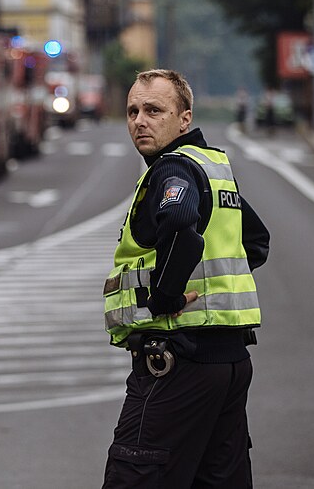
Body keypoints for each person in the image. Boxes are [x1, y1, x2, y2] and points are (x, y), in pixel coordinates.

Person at [102, 69, 270, 488]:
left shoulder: (171, 169)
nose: (139, 120)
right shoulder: (212, 168)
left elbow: (179, 221)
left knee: (136, 476)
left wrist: (164, 296)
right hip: (229, 363)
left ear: (184, 119)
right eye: (133, 111)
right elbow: (257, 242)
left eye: (154, 110)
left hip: (177, 362)